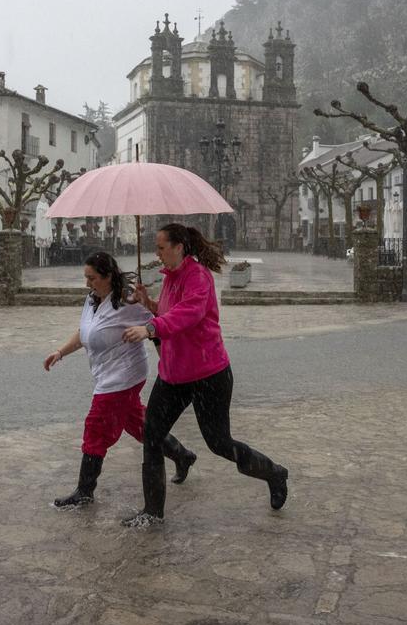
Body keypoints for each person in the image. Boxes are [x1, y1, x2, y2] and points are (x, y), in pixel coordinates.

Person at [120, 223, 288, 527]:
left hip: (208, 374)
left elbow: (189, 314)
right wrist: (150, 305)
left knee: (220, 443)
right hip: (173, 375)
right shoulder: (170, 278)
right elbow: (170, 312)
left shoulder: (198, 276)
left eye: (160, 247)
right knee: (152, 438)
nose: (156, 253)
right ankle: (152, 511)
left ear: (179, 246)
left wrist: (150, 328)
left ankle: (274, 473)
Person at [45, 251, 197, 508]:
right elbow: (85, 333)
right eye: (86, 277)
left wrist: (168, 360)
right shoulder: (93, 299)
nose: (87, 283)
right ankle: (182, 455)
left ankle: (85, 490)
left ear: (107, 276)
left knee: (96, 427)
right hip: (106, 373)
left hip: (123, 376)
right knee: (139, 423)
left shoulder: (128, 300)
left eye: (92, 278)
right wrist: (60, 352)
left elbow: (160, 323)